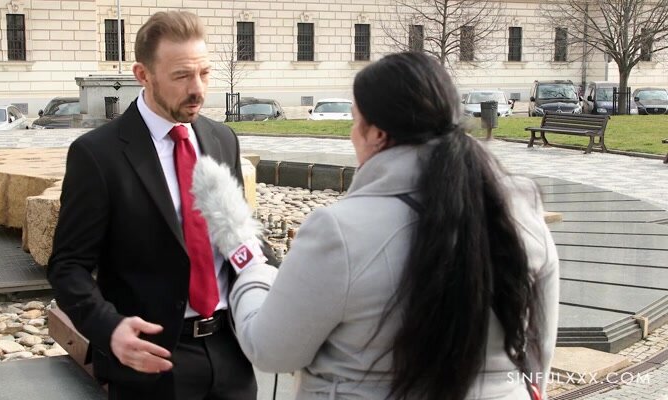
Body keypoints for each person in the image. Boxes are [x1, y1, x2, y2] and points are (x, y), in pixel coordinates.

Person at [228, 52, 559, 400]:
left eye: (354, 121)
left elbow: (272, 350)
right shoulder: (521, 211)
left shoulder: (339, 232)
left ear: (377, 134)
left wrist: (252, 269)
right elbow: (539, 348)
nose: (352, 134)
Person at [47, 11, 261, 400]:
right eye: (181, 76)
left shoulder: (222, 139)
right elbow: (68, 266)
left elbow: (238, 236)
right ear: (142, 74)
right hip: (152, 363)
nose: (198, 89)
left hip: (232, 353)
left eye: (205, 73)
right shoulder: (98, 155)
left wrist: (277, 283)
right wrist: (110, 329)